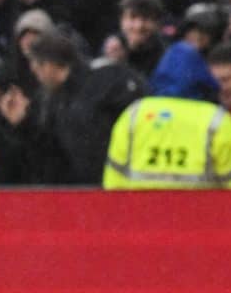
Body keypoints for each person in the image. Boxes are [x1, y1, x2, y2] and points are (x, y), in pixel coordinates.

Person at [23, 27, 145, 185]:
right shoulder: (53, 101)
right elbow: (52, 155)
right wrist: (23, 124)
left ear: (49, 65)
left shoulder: (105, 80)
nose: (36, 75)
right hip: (83, 190)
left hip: (121, 183)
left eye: (36, 68)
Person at [102, 93, 231, 189]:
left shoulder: (134, 114)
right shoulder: (217, 120)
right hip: (204, 229)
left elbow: (113, 183)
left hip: (138, 228)